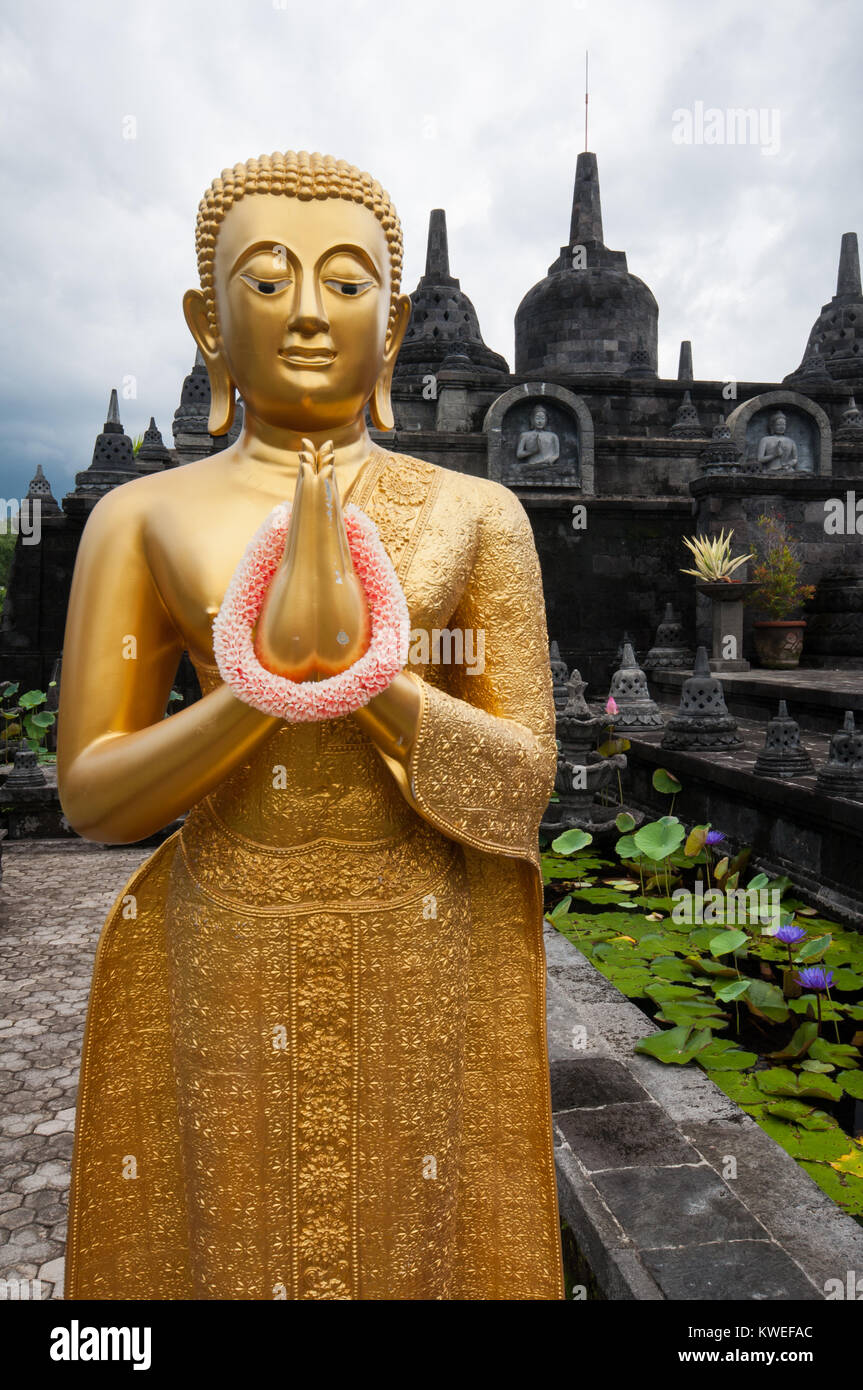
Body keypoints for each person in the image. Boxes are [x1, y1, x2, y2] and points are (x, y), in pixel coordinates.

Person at [59, 151, 563, 1300]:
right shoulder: (141, 516)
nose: (304, 315)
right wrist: (258, 690)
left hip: (419, 935)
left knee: (411, 1247)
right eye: (267, 280)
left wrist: (371, 681)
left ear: (391, 333)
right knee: (229, 1246)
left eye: (344, 284)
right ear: (207, 321)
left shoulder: (475, 513)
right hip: (223, 935)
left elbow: (521, 783)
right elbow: (92, 794)